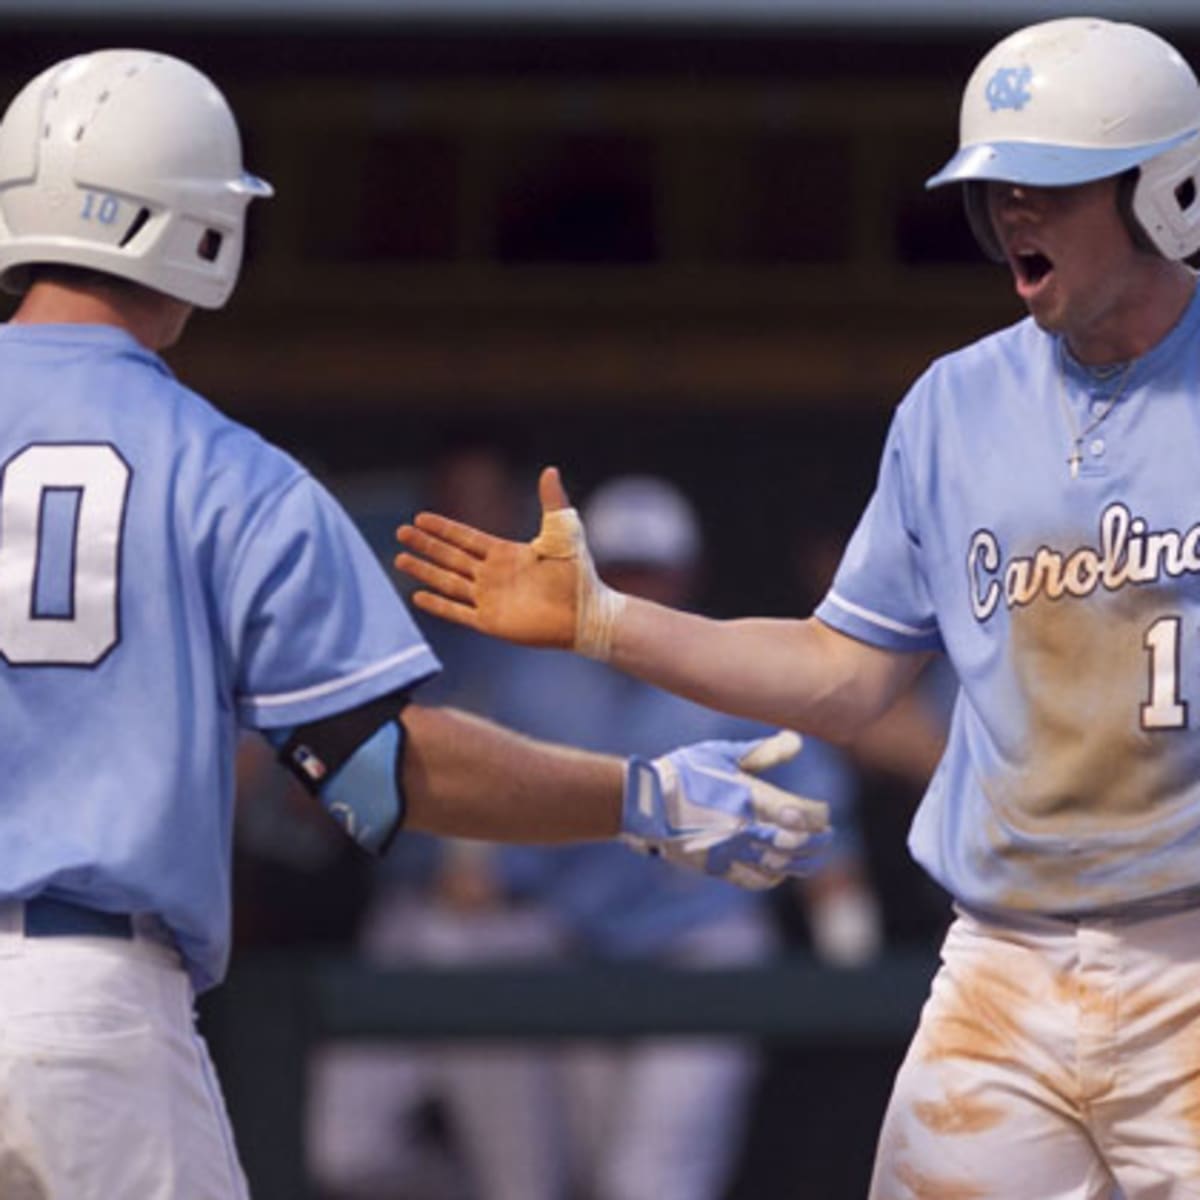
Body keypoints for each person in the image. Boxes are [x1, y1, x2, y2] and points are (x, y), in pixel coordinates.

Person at [0, 50, 832, 1200]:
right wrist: (644, 797)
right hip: (81, 1009)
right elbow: (384, 772)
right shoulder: (226, 475)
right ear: (194, 229)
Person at [396, 17, 1200, 1197]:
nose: (1014, 216)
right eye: (998, 194)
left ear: (1164, 191)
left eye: (1050, 188)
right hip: (1003, 960)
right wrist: (606, 621)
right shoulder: (955, 404)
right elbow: (842, 670)